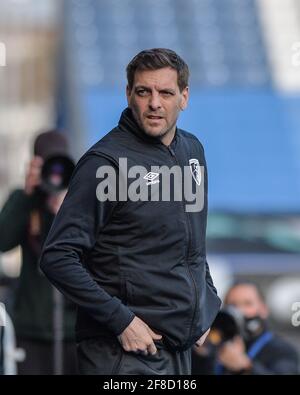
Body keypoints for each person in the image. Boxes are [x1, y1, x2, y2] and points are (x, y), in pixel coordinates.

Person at [39, 48, 221, 375]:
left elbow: (192, 242)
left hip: (179, 351)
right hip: (122, 354)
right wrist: (121, 321)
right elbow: (57, 256)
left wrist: (204, 305)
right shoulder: (104, 164)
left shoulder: (192, 151)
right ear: (128, 94)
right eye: (143, 92)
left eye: (166, 92)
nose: (154, 103)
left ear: (184, 97)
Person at [0, 130, 77, 374]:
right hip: (30, 329)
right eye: (47, 168)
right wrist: (27, 195)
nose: (54, 177)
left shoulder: (79, 202)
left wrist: (65, 209)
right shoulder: (24, 199)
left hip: (73, 329)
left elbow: (93, 253)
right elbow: (2, 241)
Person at [215, 281, 299, 375]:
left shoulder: (283, 351)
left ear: (263, 309)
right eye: (233, 305)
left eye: (247, 304)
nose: (239, 310)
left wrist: (246, 367)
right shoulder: (215, 347)